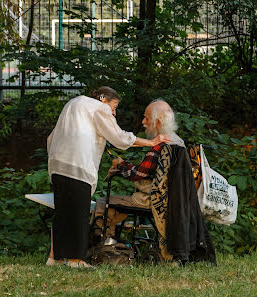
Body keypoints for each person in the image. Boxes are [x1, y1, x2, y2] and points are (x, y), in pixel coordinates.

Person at [46, 86, 171, 268]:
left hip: (58, 164)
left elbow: (51, 138)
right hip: (78, 166)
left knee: (62, 213)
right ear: (104, 100)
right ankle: (75, 260)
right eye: (114, 107)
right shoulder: (99, 108)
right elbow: (119, 137)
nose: (114, 112)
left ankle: (54, 258)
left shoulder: (73, 103)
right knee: (79, 213)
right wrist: (151, 142)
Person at [91, 100, 217, 264]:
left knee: (103, 203)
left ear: (157, 122)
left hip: (150, 200)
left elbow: (138, 174)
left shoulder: (160, 146)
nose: (143, 122)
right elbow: (151, 171)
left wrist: (120, 165)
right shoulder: (178, 143)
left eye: (146, 118)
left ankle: (105, 250)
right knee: (118, 206)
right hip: (173, 203)